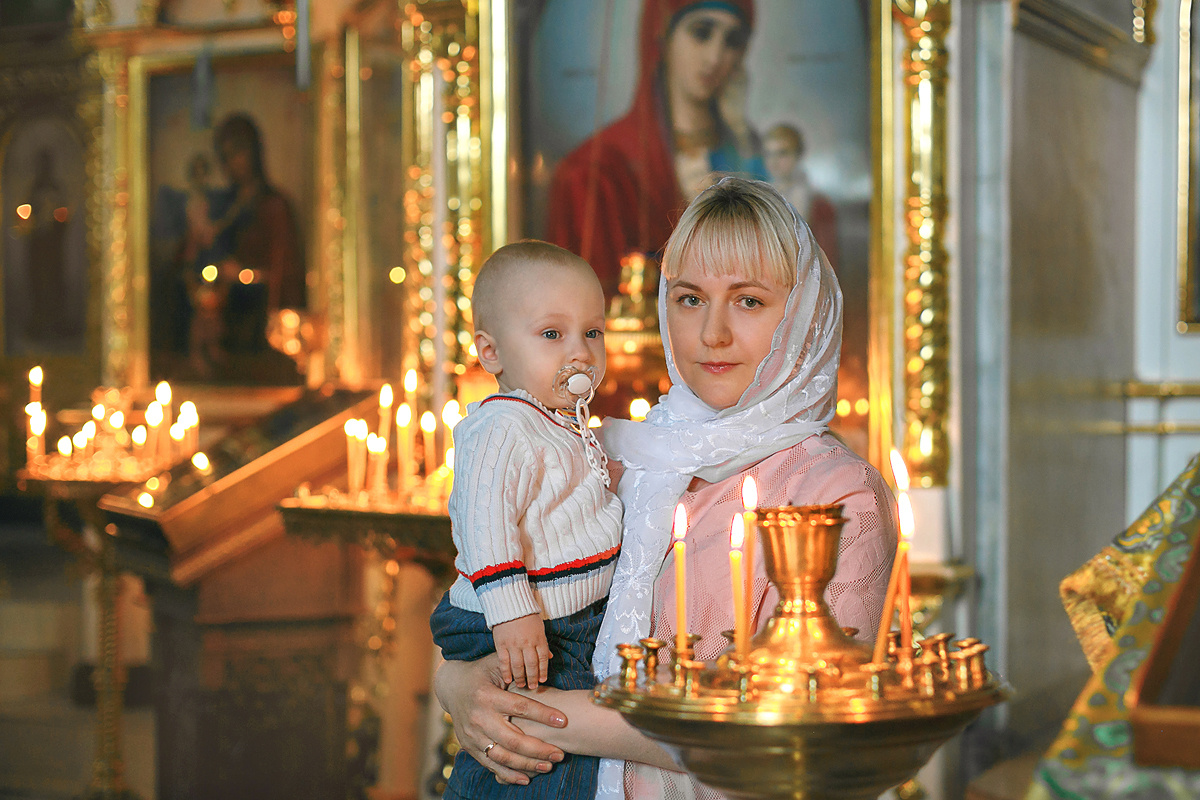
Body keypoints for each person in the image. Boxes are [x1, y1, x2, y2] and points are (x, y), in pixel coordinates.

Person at [434, 178, 898, 798]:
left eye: (749, 301)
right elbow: (484, 599)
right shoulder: (616, 457)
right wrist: (457, 688)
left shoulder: (838, 495)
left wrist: (538, 716)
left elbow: (798, 730)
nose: (712, 334)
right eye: (688, 298)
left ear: (806, 313)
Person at [430, 241, 625, 799]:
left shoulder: (560, 422)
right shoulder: (502, 428)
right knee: (533, 756)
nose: (580, 353)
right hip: (525, 619)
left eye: (592, 333)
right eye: (551, 335)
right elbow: (487, 528)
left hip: (562, 615)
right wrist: (513, 616)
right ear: (490, 352)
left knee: (558, 754)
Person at [544, 0, 765, 301]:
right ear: (661, 33)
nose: (715, 57)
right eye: (701, 33)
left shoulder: (751, 152)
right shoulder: (596, 172)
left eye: (732, 41)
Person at [206, 113, 305, 353]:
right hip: (224, 317)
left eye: (238, 152)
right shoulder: (223, 207)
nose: (232, 163)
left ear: (254, 151)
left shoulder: (275, 206)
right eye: (225, 157)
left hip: (260, 323)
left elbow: (285, 275)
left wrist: (243, 274)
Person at [763, 123, 839, 273]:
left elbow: (827, 260)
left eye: (782, 153)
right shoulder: (761, 196)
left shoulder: (818, 203)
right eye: (769, 154)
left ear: (798, 155)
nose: (774, 161)